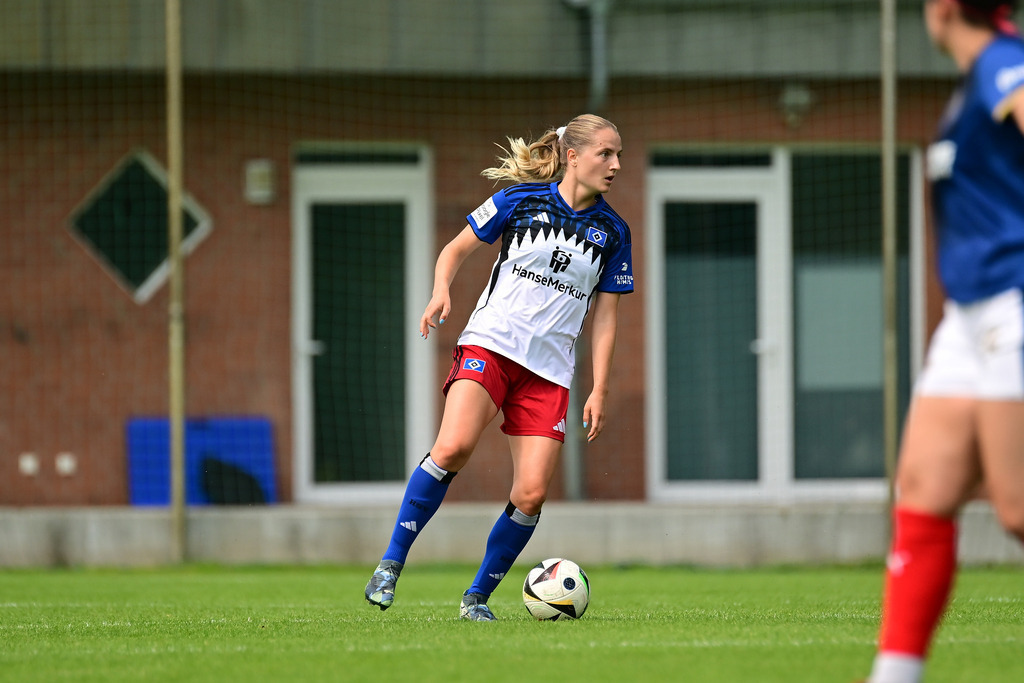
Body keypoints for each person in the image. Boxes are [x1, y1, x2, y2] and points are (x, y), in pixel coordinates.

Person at [363, 114, 633, 621]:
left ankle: (476, 600)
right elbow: (455, 249)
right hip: (490, 347)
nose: (616, 164)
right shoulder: (518, 200)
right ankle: (390, 565)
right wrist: (441, 290)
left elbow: (606, 317)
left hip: (549, 375)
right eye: (606, 153)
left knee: (530, 494)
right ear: (573, 155)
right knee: (453, 448)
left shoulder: (614, 232)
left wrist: (599, 387)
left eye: (619, 154)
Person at [865, 2, 1024, 681]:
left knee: (1017, 507)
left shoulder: (1003, 62)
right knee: (924, 488)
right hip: (969, 316)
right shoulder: (978, 75)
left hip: (1014, 300)